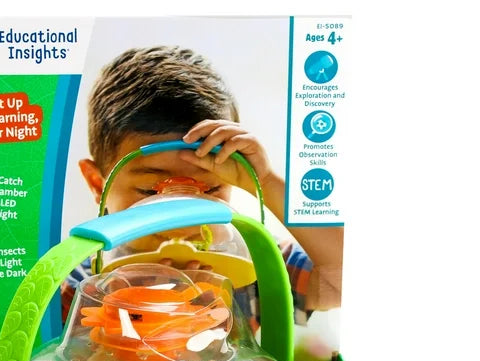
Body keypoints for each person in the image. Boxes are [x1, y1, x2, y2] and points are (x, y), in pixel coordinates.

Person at [63, 46, 343, 327]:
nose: (181, 225)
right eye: (149, 192)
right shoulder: (80, 289)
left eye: (209, 190)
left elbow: (341, 281)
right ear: (97, 184)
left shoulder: (255, 268)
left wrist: (266, 182)